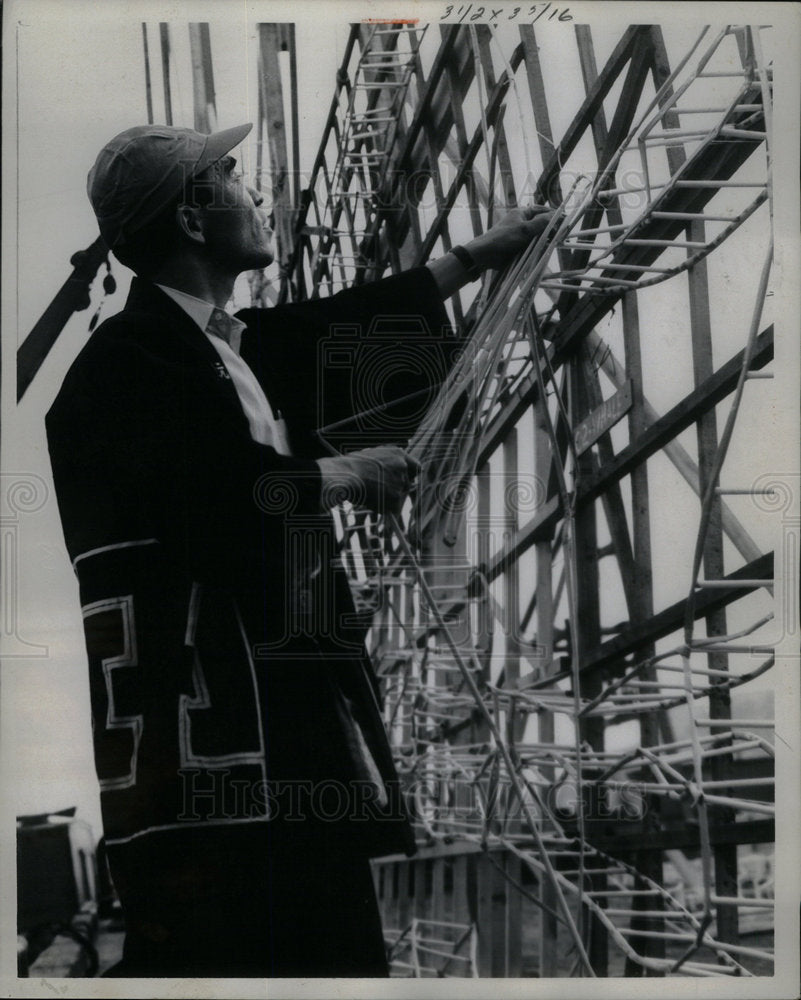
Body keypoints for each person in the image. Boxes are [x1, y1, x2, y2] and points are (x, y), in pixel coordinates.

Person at [45, 122, 553, 977]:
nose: (256, 192)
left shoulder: (205, 350)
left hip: (262, 755)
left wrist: (474, 256)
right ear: (197, 220)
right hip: (226, 778)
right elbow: (214, 496)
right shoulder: (125, 366)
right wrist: (350, 470)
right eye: (234, 176)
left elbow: (327, 331)